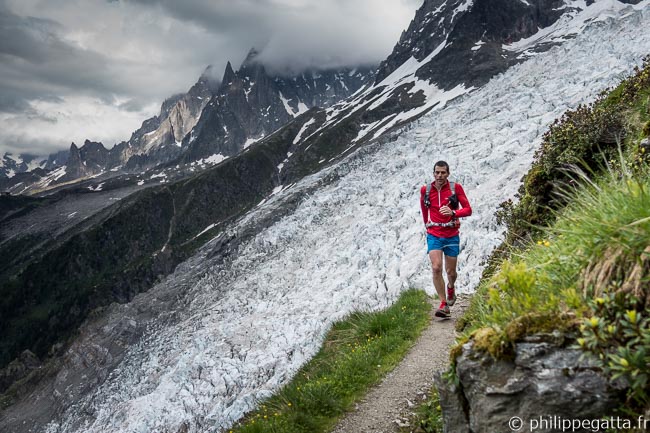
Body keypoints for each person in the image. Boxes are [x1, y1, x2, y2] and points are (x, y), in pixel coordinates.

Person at [420, 161, 472, 318]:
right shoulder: (426, 190)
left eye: (443, 172)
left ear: (448, 174)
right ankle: (443, 304)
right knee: (436, 267)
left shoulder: (455, 188)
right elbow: (423, 208)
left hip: (451, 234)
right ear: (433, 173)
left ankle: (451, 287)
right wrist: (426, 225)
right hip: (434, 233)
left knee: (451, 272)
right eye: (437, 172)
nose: (440, 175)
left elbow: (468, 209)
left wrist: (453, 213)